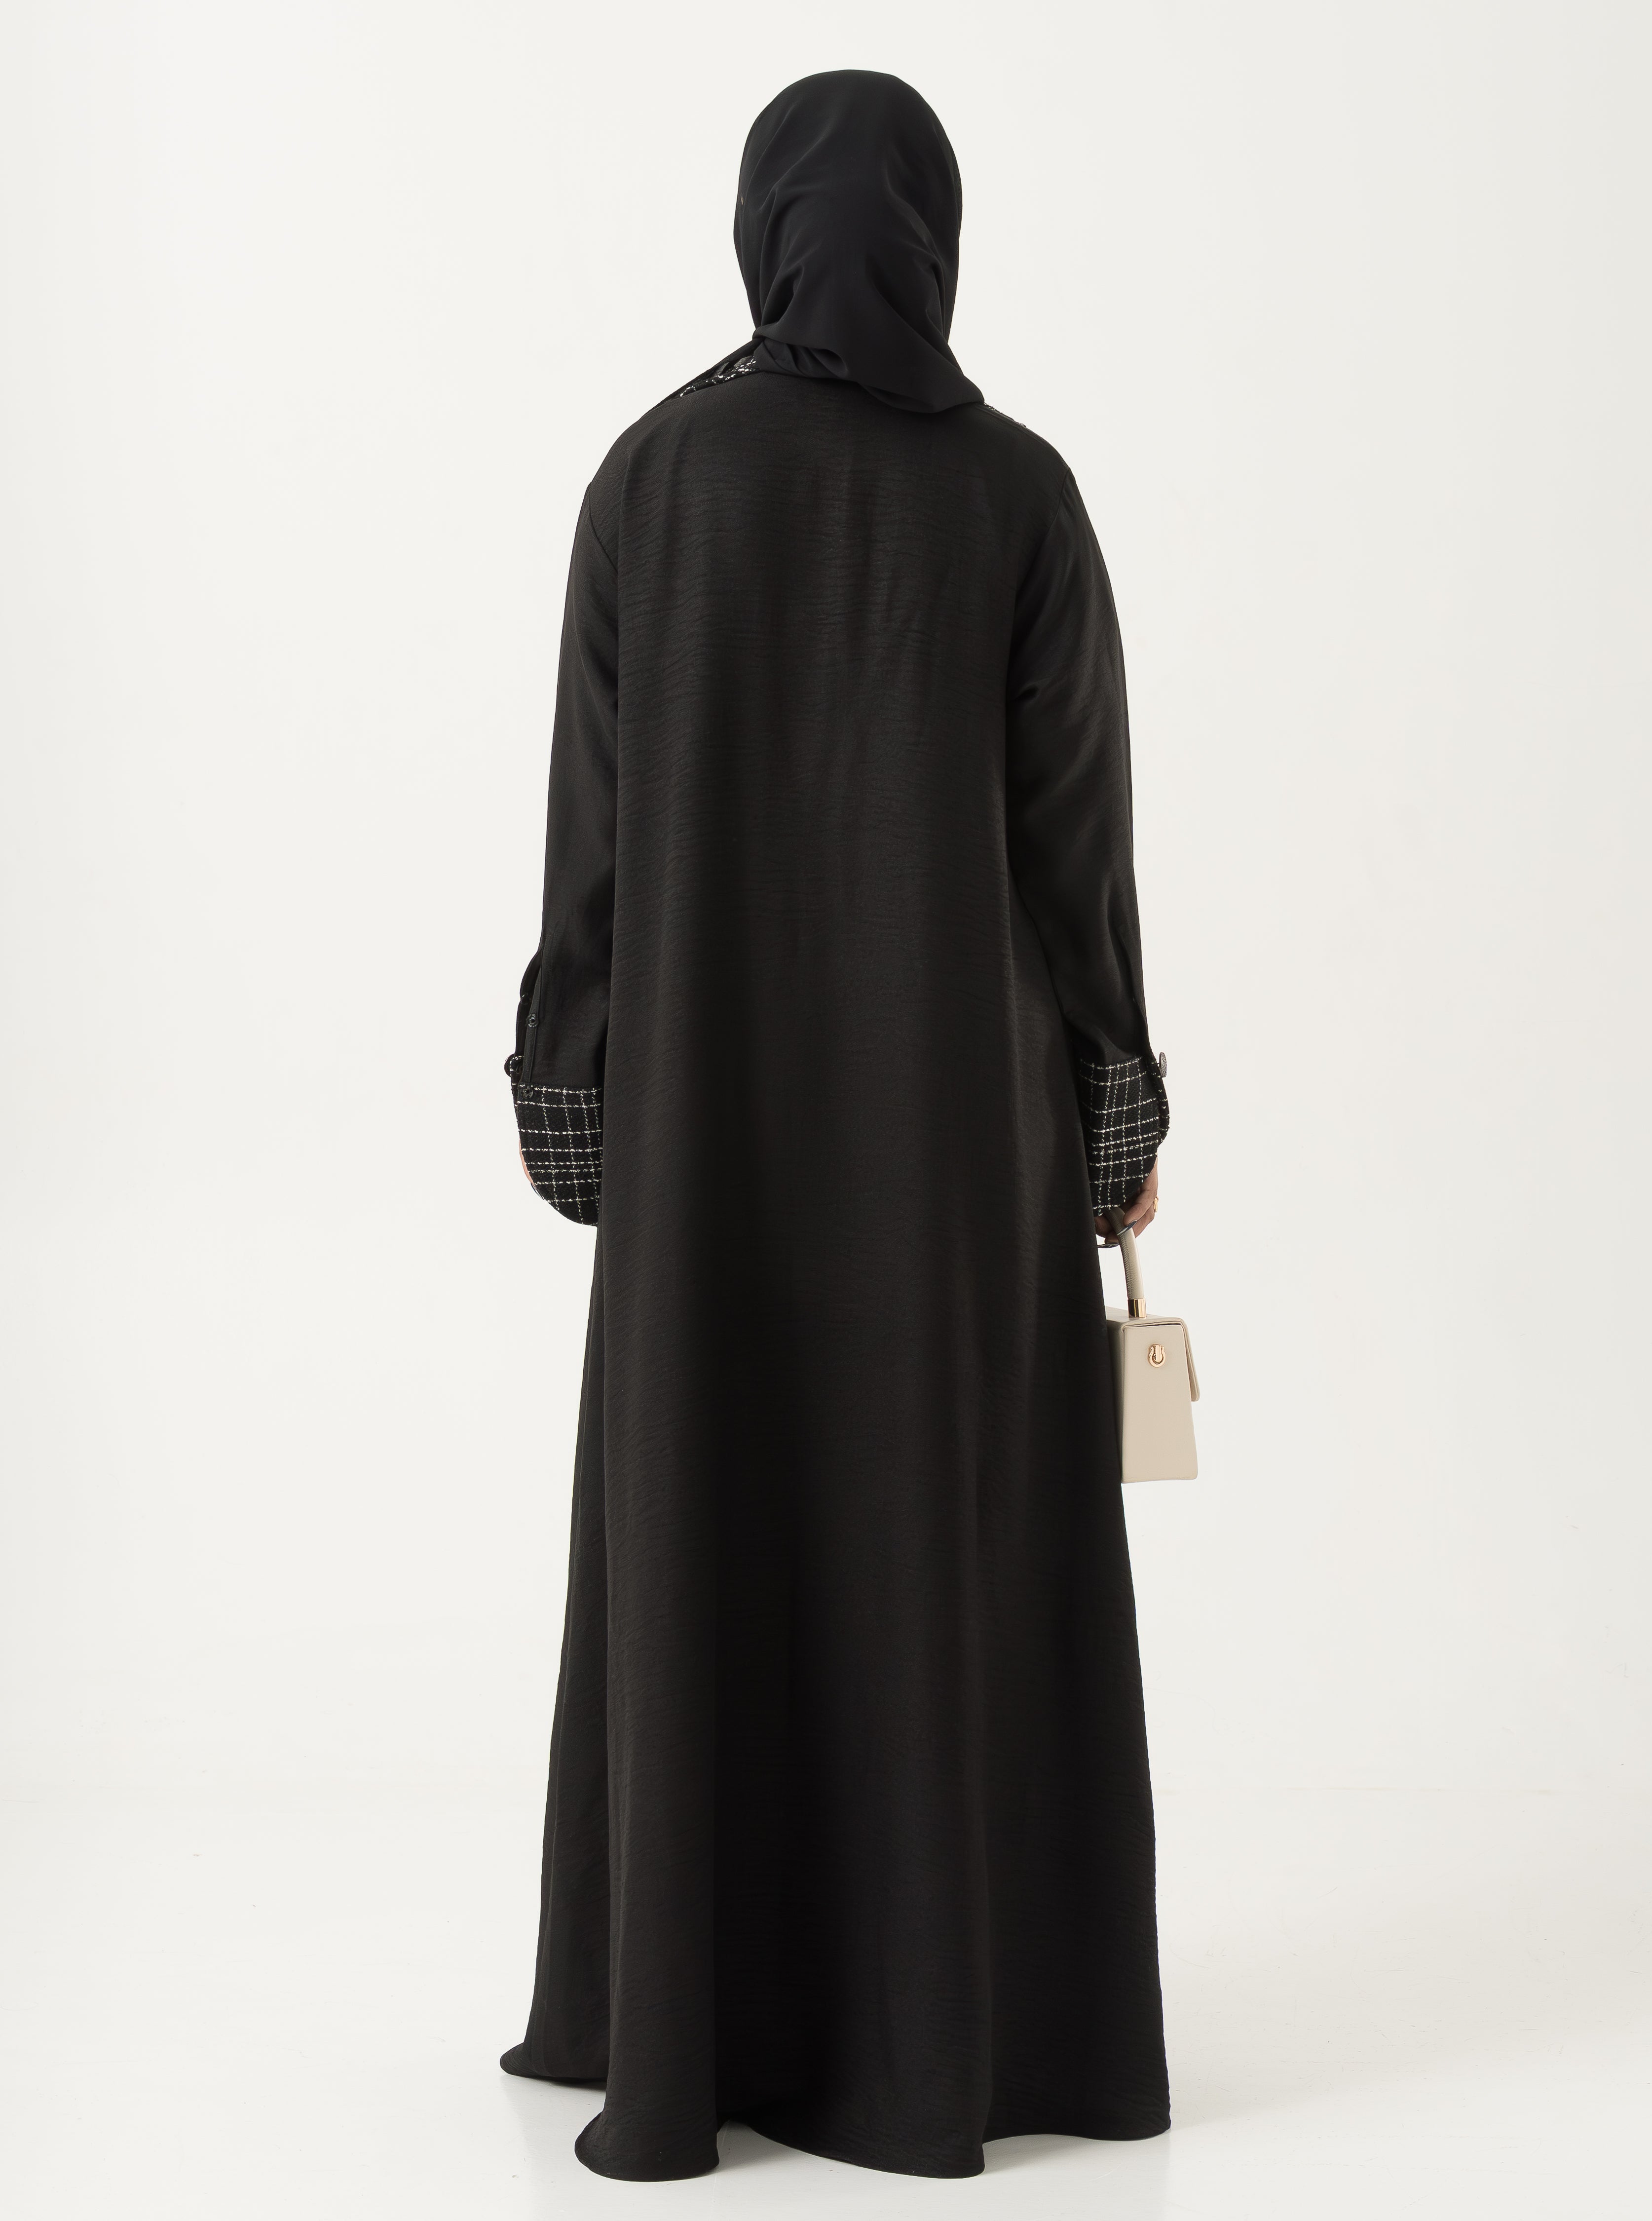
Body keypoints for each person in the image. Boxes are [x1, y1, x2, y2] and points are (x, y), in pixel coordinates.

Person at [499, 69, 1170, 2182]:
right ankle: (947, 2027)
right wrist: (1117, 1097)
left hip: (705, 1141)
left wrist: (573, 1085)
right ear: (937, 234)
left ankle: (684, 2015)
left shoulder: (655, 477)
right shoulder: (1020, 494)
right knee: (941, 1532)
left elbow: (593, 838)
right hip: (959, 1156)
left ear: (759, 226)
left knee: (707, 1514)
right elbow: (1075, 848)